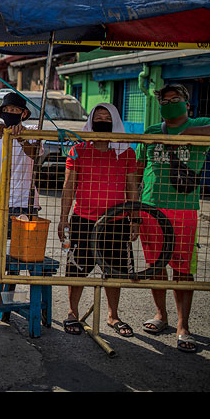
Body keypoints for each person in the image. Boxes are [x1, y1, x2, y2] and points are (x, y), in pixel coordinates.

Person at [136, 84, 210, 353]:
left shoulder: (201, 123)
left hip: (184, 210)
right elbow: (138, 168)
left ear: (187, 103)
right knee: (156, 265)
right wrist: (135, 209)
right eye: (165, 101)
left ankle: (183, 325)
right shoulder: (152, 132)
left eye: (175, 99)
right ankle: (160, 315)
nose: (169, 104)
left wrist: (189, 132)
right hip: (150, 207)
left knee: (182, 270)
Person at [58, 103, 139, 336]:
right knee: (77, 269)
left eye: (107, 117)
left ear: (114, 122)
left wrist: (135, 220)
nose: (102, 121)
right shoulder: (79, 150)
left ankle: (113, 316)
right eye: (98, 117)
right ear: (91, 122)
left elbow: (132, 187)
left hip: (116, 221)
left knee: (115, 270)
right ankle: (72, 313)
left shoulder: (126, 152)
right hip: (84, 219)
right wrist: (64, 218)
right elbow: (69, 186)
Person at [0, 92, 40, 245]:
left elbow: (34, 154)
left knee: (24, 253)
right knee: (1, 255)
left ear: (24, 113)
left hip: (27, 203)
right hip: (0, 204)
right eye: (7, 110)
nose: (10, 113)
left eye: (15, 110)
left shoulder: (33, 131)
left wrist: (21, 139)